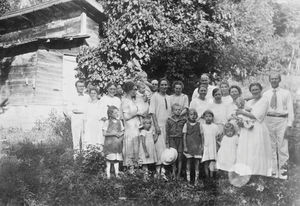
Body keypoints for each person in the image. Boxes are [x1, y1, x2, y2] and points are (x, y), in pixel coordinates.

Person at [234, 83, 272, 177]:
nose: (255, 91)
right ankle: (247, 172)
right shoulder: (250, 102)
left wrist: (242, 112)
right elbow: (244, 113)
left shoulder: (264, 101)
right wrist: (241, 121)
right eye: (253, 90)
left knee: (256, 150)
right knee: (247, 150)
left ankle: (258, 173)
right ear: (250, 91)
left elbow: (257, 115)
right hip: (247, 128)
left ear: (261, 89)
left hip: (257, 128)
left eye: (257, 89)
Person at [264, 73, 294, 179]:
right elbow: (262, 109)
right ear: (269, 80)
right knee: (270, 146)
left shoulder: (286, 93)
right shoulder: (266, 94)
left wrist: (289, 125)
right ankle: (273, 170)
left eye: (276, 78)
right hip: (268, 120)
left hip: (282, 120)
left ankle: (283, 172)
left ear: (279, 80)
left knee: (282, 146)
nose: (274, 80)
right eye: (272, 79)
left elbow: (290, 109)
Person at [149, 78, 171, 177]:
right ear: (159, 86)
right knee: (158, 148)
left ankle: (164, 172)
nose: (164, 87)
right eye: (162, 85)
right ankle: (158, 172)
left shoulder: (169, 97)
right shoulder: (155, 96)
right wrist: (156, 126)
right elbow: (152, 112)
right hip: (158, 126)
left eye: (165, 85)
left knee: (165, 148)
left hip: (167, 126)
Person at [121, 81, 141, 172]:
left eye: (136, 89)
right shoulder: (125, 101)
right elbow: (126, 117)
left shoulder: (133, 100)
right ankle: (130, 169)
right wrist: (136, 113)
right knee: (130, 147)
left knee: (136, 146)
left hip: (135, 126)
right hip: (130, 127)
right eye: (134, 89)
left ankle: (136, 168)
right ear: (129, 90)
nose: (135, 91)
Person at [166, 103, 186, 179]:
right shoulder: (169, 120)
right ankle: (174, 173)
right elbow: (167, 132)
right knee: (173, 156)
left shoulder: (183, 120)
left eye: (179, 110)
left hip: (180, 139)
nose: (178, 111)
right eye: (176, 110)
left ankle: (179, 174)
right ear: (172, 111)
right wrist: (167, 142)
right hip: (172, 139)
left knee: (180, 157)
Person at [183, 109, 204, 184]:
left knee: (197, 163)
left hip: (197, 146)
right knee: (188, 162)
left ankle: (196, 180)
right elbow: (184, 136)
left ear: (196, 116)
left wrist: (202, 146)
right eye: (191, 114)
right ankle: (188, 179)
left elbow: (202, 136)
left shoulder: (199, 124)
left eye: (194, 114)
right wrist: (185, 146)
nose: (193, 116)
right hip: (189, 146)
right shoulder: (186, 124)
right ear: (188, 116)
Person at [103, 105, 124, 179]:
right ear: (110, 114)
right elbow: (104, 133)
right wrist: (114, 133)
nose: (117, 114)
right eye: (115, 113)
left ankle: (116, 173)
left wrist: (120, 135)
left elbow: (122, 131)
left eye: (117, 113)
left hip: (117, 143)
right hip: (110, 143)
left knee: (116, 159)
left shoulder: (120, 122)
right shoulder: (107, 122)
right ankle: (108, 174)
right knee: (109, 159)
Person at [69, 80, 89, 153]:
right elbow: (73, 110)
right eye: (79, 86)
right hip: (76, 119)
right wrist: (83, 111)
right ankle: (76, 158)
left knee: (85, 138)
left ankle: (85, 157)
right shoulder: (72, 97)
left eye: (82, 86)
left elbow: (89, 108)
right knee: (76, 138)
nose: (81, 88)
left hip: (85, 119)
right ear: (76, 87)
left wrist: (80, 110)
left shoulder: (87, 97)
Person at [202, 110, 221, 178]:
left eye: (210, 116)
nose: (208, 118)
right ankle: (207, 177)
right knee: (206, 160)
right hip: (206, 145)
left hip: (213, 146)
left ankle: (212, 176)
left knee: (212, 161)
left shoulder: (215, 126)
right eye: (206, 116)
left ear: (212, 117)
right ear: (204, 117)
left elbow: (218, 137)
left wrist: (217, 146)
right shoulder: (202, 126)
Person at [139, 115, 158, 180]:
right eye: (147, 123)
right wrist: (146, 152)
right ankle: (145, 177)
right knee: (145, 163)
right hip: (146, 149)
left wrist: (157, 134)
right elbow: (143, 143)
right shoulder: (143, 132)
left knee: (150, 162)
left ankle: (149, 176)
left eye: (150, 123)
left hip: (151, 149)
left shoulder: (151, 131)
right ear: (143, 124)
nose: (148, 125)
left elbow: (154, 140)